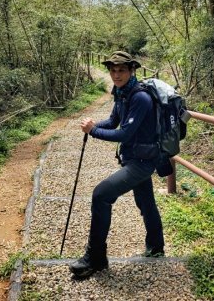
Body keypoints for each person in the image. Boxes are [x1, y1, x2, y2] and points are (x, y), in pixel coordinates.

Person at [69, 51, 165, 280]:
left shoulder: (140, 97)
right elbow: (113, 121)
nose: (116, 74)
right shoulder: (122, 93)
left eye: (121, 70)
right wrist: (93, 125)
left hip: (142, 161)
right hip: (134, 158)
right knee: (146, 202)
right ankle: (156, 247)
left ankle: (96, 258)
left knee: (101, 194)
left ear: (132, 70)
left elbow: (124, 132)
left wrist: (93, 132)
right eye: (113, 70)